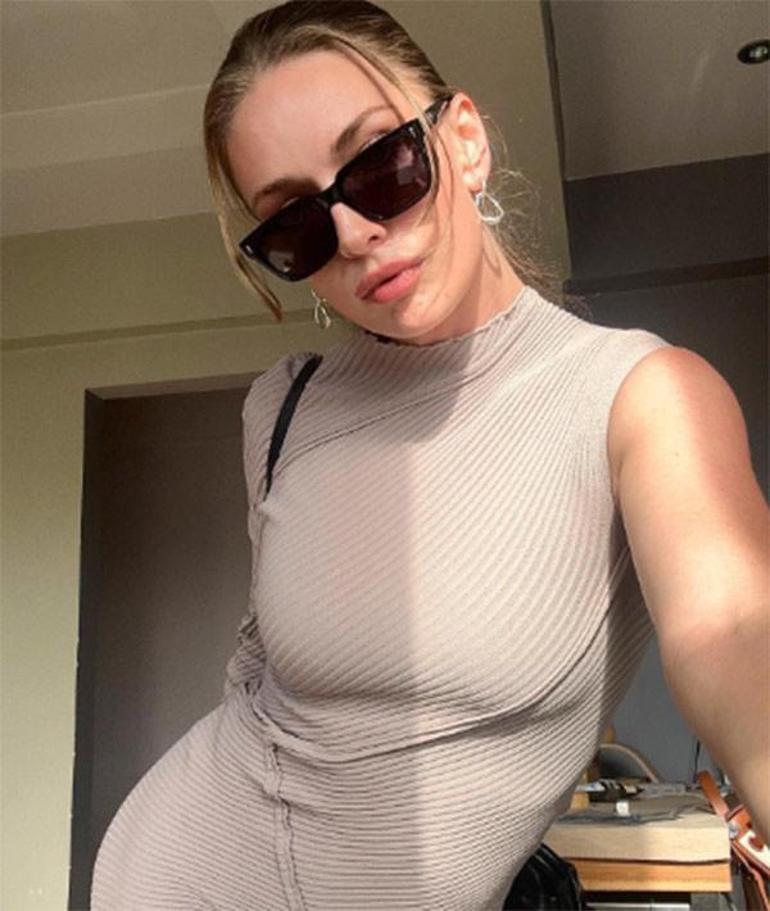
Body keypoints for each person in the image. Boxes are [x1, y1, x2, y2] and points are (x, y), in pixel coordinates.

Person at [91, 1, 769, 908]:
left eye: (381, 165)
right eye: (296, 224)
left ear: (465, 141)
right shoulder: (285, 406)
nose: (354, 233)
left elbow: (734, 630)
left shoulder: (634, 395)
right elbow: (264, 683)